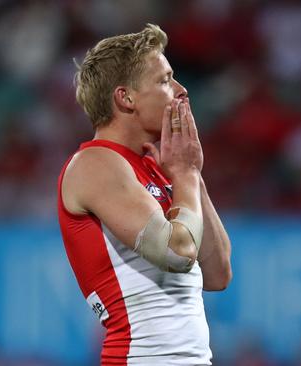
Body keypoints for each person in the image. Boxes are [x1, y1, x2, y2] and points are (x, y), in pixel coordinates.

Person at [57, 24, 232, 365]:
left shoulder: (159, 168)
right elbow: (176, 252)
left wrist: (192, 174)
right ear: (126, 98)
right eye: (165, 81)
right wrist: (183, 174)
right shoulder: (94, 164)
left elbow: (217, 273)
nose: (181, 91)